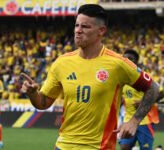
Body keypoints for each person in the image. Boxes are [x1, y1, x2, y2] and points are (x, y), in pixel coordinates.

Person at [20, 4, 159, 150]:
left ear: (101, 31)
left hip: (99, 147)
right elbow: (43, 103)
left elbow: (153, 88)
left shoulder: (118, 63)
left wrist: (134, 121)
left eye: (85, 27)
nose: (78, 31)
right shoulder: (61, 63)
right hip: (63, 145)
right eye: (77, 25)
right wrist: (33, 94)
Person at [119, 50, 164, 150]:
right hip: (128, 120)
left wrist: (145, 101)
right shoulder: (121, 79)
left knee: (146, 148)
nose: (127, 60)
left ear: (137, 62)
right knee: (124, 147)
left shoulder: (144, 78)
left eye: (131, 59)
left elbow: (160, 92)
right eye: (125, 58)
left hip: (145, 121)